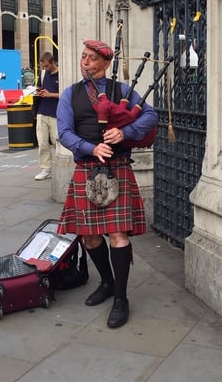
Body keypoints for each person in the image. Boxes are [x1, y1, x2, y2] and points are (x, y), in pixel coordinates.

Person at [57, 39, 158, 329]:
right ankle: (107, 282)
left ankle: (121, 299)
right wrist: (92, 148)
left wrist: (124, 132)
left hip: (117, 169)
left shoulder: (121, 91)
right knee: (89, 236)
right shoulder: (70, 94)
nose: (84, 62)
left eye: (90, 58)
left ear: (105, 63)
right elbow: (64, 132)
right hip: (86, 168)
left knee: (117, 234)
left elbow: (151, 115)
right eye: (83, 56)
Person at [34, 52, 60, 180]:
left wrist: (51, 94)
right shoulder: (43, 74)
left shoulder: (62, 74)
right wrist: (37, 91)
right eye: (43, 67)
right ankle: (46, 169)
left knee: (57, 141)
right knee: (42, 142)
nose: (44, 69)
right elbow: (39, 86)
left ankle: (61, 165)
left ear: (52, 63)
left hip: (55, 113)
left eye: (46, 66)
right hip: (42, 111)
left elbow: (66, 95)